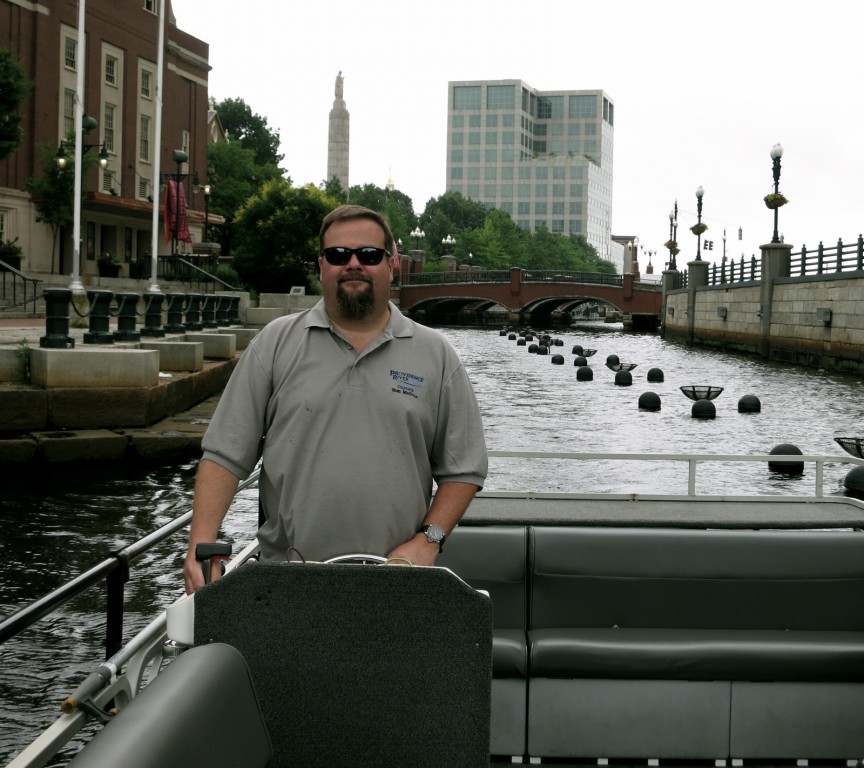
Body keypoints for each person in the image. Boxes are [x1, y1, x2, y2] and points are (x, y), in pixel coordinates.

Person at [183, 204, 487, 593]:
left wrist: (429, 540)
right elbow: (225, 455)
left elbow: (463, 470)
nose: (353, 264)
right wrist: (200, 543)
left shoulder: (436, 354)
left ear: (392, 264)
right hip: (288, 578)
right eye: (338, 255)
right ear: (321, 265)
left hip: (398, 578)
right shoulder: (274, 344)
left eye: (369, 255)